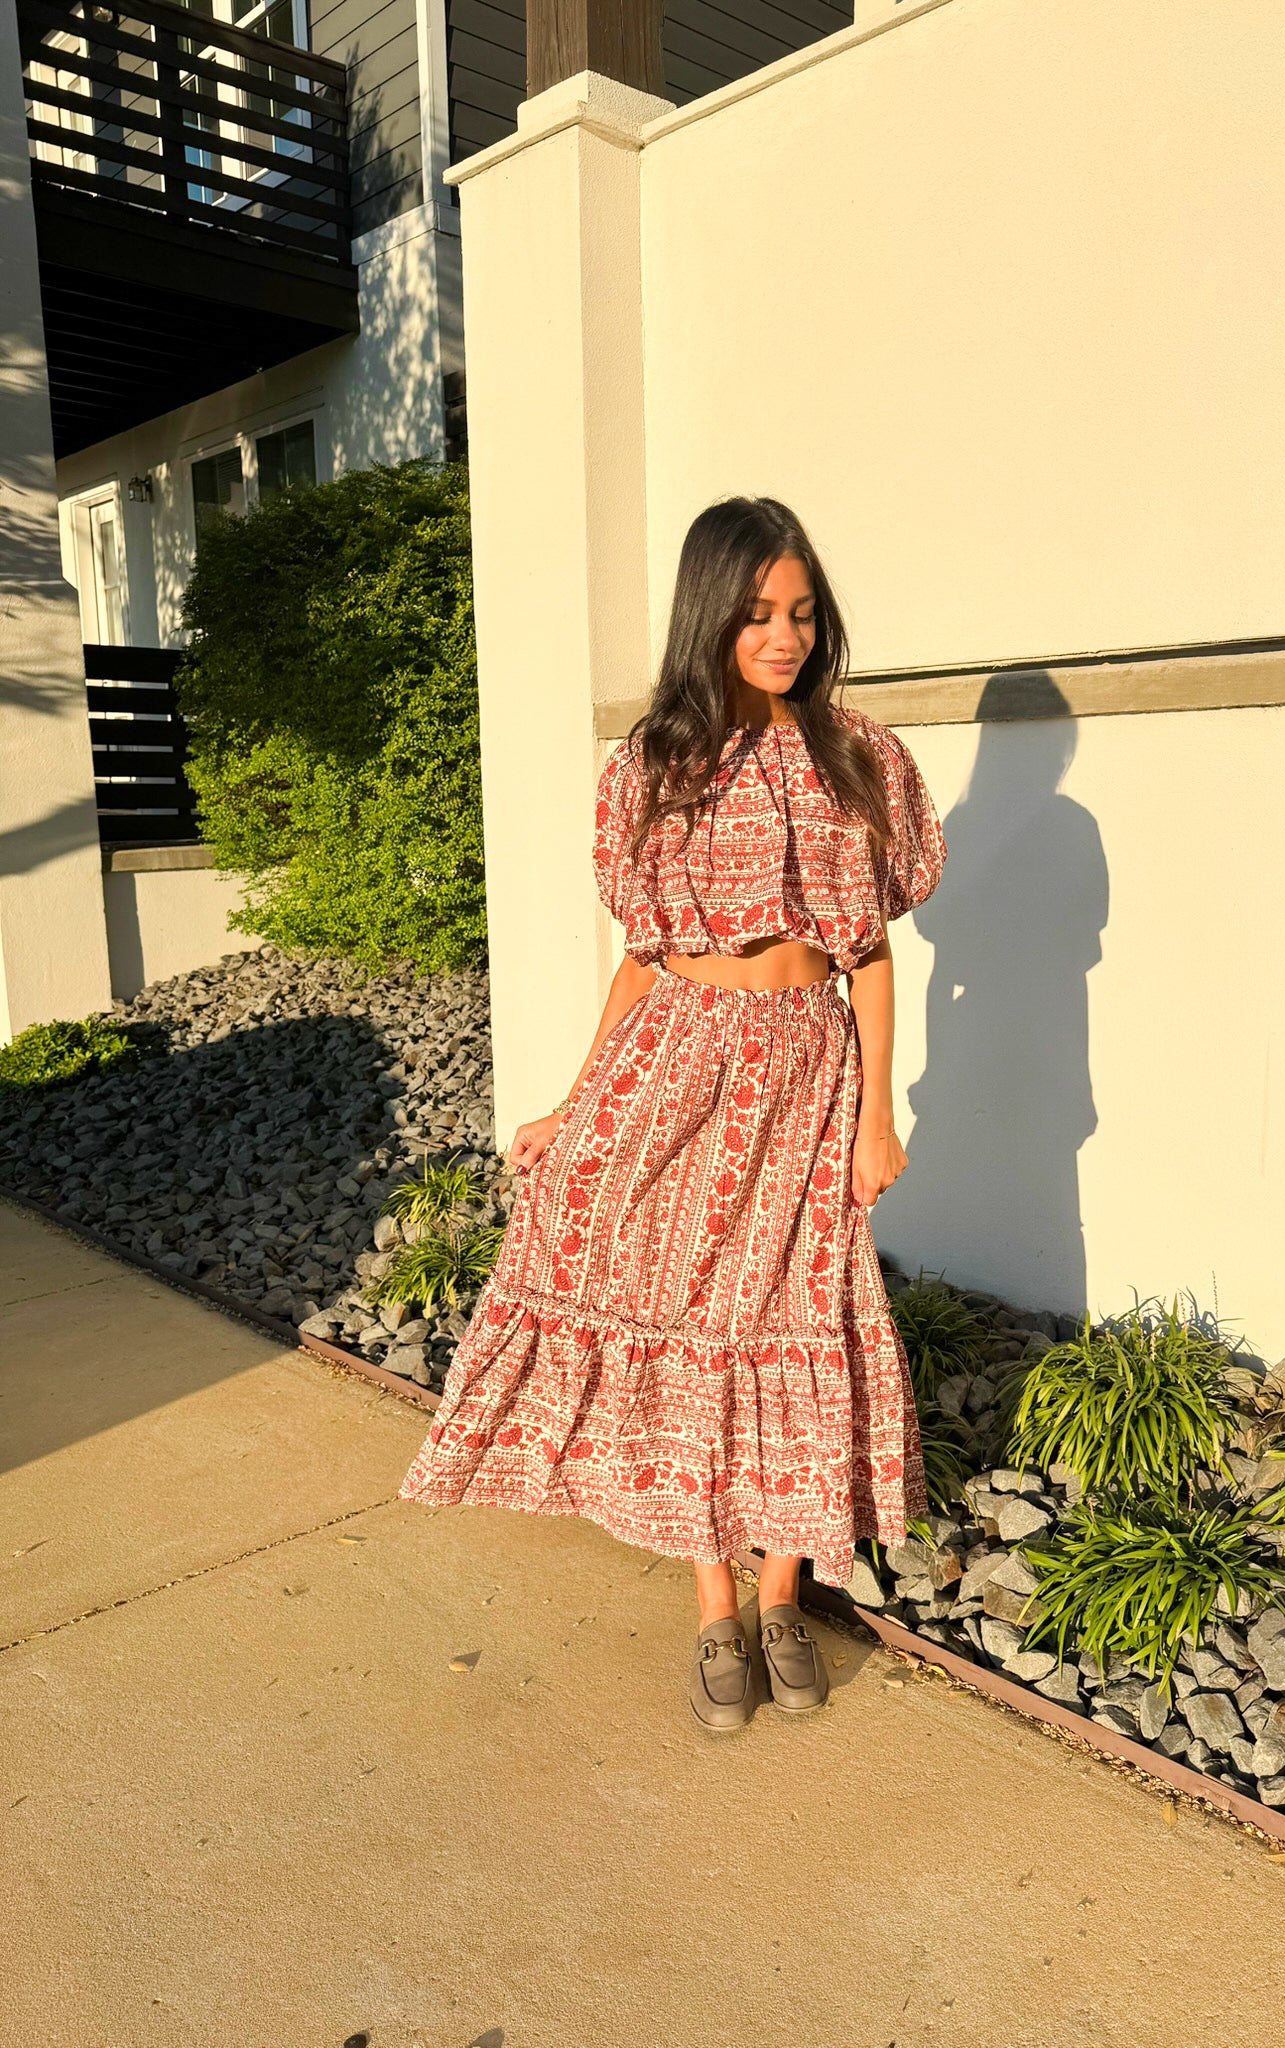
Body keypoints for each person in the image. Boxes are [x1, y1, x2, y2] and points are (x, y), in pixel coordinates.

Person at [396, 495, 948, 1732]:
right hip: (679, 1061)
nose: (784, 634)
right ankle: (714, 1608)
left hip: (809, 1072)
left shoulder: (858, 755)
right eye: (757, 612)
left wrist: (875, 1117)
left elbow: (867, 957)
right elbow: (641, 957)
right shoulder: (655, 765)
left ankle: (783, 1591)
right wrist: (573, 1101)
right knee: (685, 1312)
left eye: (801, 612)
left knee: (801, 1308)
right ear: (712, 612)